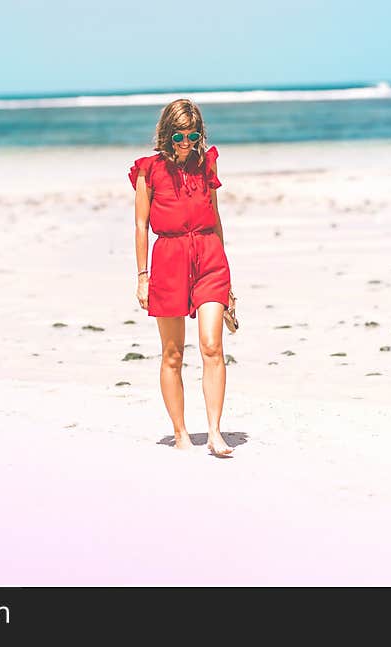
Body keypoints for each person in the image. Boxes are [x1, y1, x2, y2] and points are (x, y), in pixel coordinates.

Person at [128, 98, 235, 457]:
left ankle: (216, 432)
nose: (185, 143)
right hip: (169, 260)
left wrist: (228, 284)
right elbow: (141, 226)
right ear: (165, 135)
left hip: (209, 257)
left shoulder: (207, 165)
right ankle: (180, 433)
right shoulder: (148, 171)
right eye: (178, 136)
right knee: (173, 354)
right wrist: (143, 276)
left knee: (211, 346)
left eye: (192, 135)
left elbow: (216, 219)